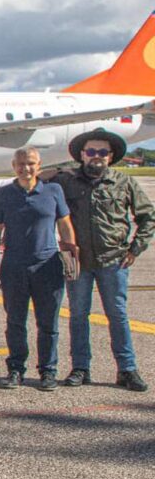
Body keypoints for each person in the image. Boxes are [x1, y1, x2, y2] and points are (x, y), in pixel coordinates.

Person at [48, 129, 152, 392]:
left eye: (102, 152)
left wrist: (134, 248)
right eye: (91, 152)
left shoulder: (123, 182)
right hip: (78, 261)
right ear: (82, 155)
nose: (97, 157)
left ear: (111, 156)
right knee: (78, 315)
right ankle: (80, 368)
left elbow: (147, 216)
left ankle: (127, 369)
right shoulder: (65, 181)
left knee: (117, 315)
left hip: (113, 260)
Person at [0, 147, 76, 392]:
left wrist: (71, 256)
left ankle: (48, 370)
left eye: (30, 163)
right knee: (15, 321)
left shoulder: (53, 191)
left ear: (39, 166)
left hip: (47, 266)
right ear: (13, 166)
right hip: (14, 266)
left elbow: (65, 225)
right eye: (20, 164)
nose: (25, 168)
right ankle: (16, 369)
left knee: (48, 323)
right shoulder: (3, 194)